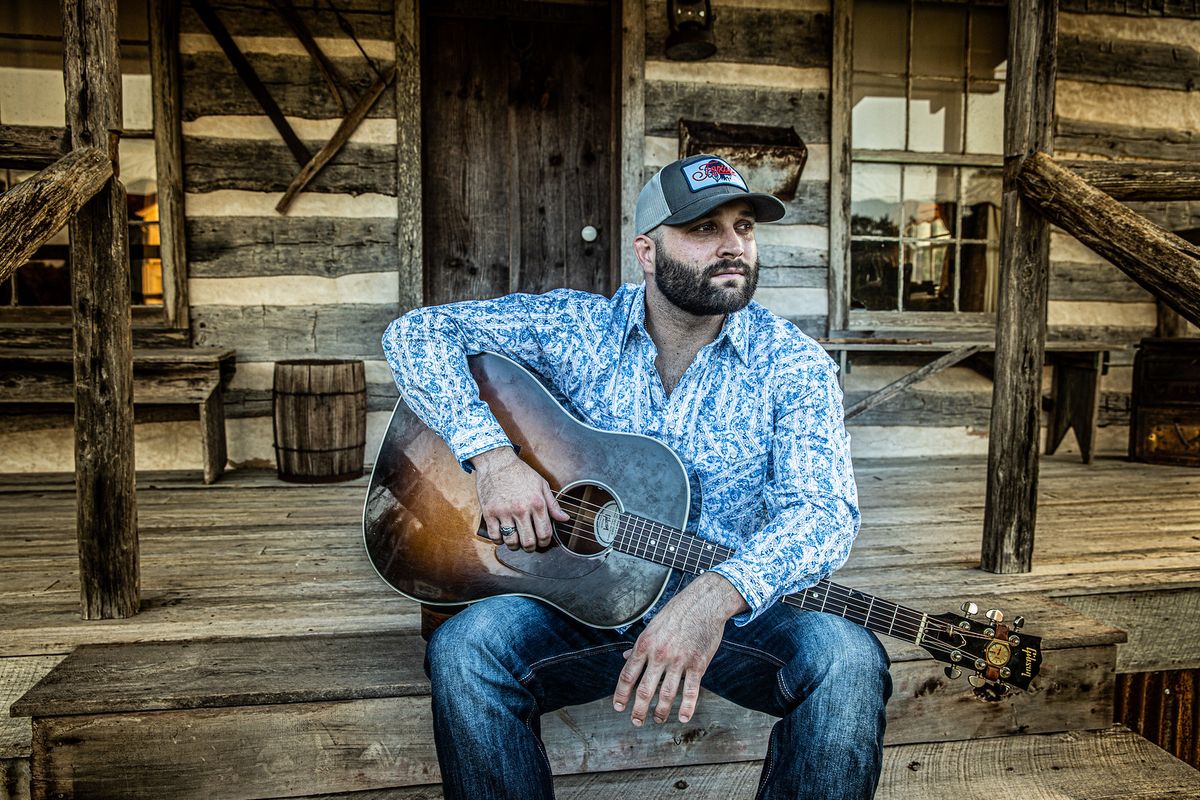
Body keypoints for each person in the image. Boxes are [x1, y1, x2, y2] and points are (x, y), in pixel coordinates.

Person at [382, 153, 891, 800]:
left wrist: (714, 595)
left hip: (731, 614)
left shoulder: (791, 364)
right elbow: (415, 334)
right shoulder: (578, 329)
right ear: (648, 253)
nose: (733, 246)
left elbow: (822, 514)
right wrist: (493, 460)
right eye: (705, 229)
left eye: (744, 227)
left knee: (849, 661)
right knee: (465, 651)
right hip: (580, 602)